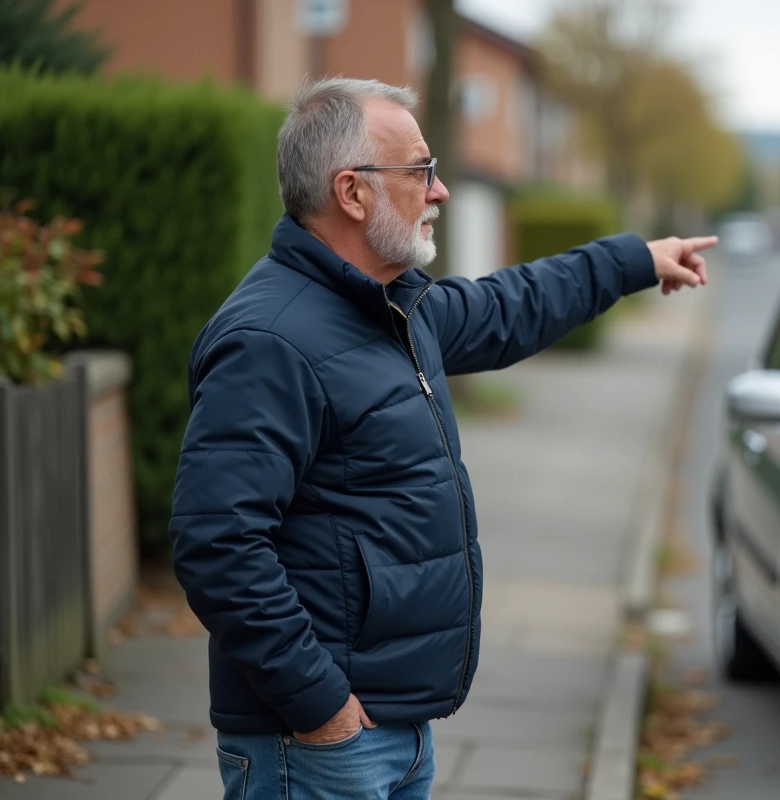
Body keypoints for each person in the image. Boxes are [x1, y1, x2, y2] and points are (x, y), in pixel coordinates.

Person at [168, 76, 714, 800]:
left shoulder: (394, 308)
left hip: (393, 728)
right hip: (318, 745)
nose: (441, 190)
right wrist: (323, 708)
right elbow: (217, 543)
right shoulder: (270, 340)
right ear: (352, 193)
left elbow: (511, 305)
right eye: (420, 170)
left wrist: (635, 261)